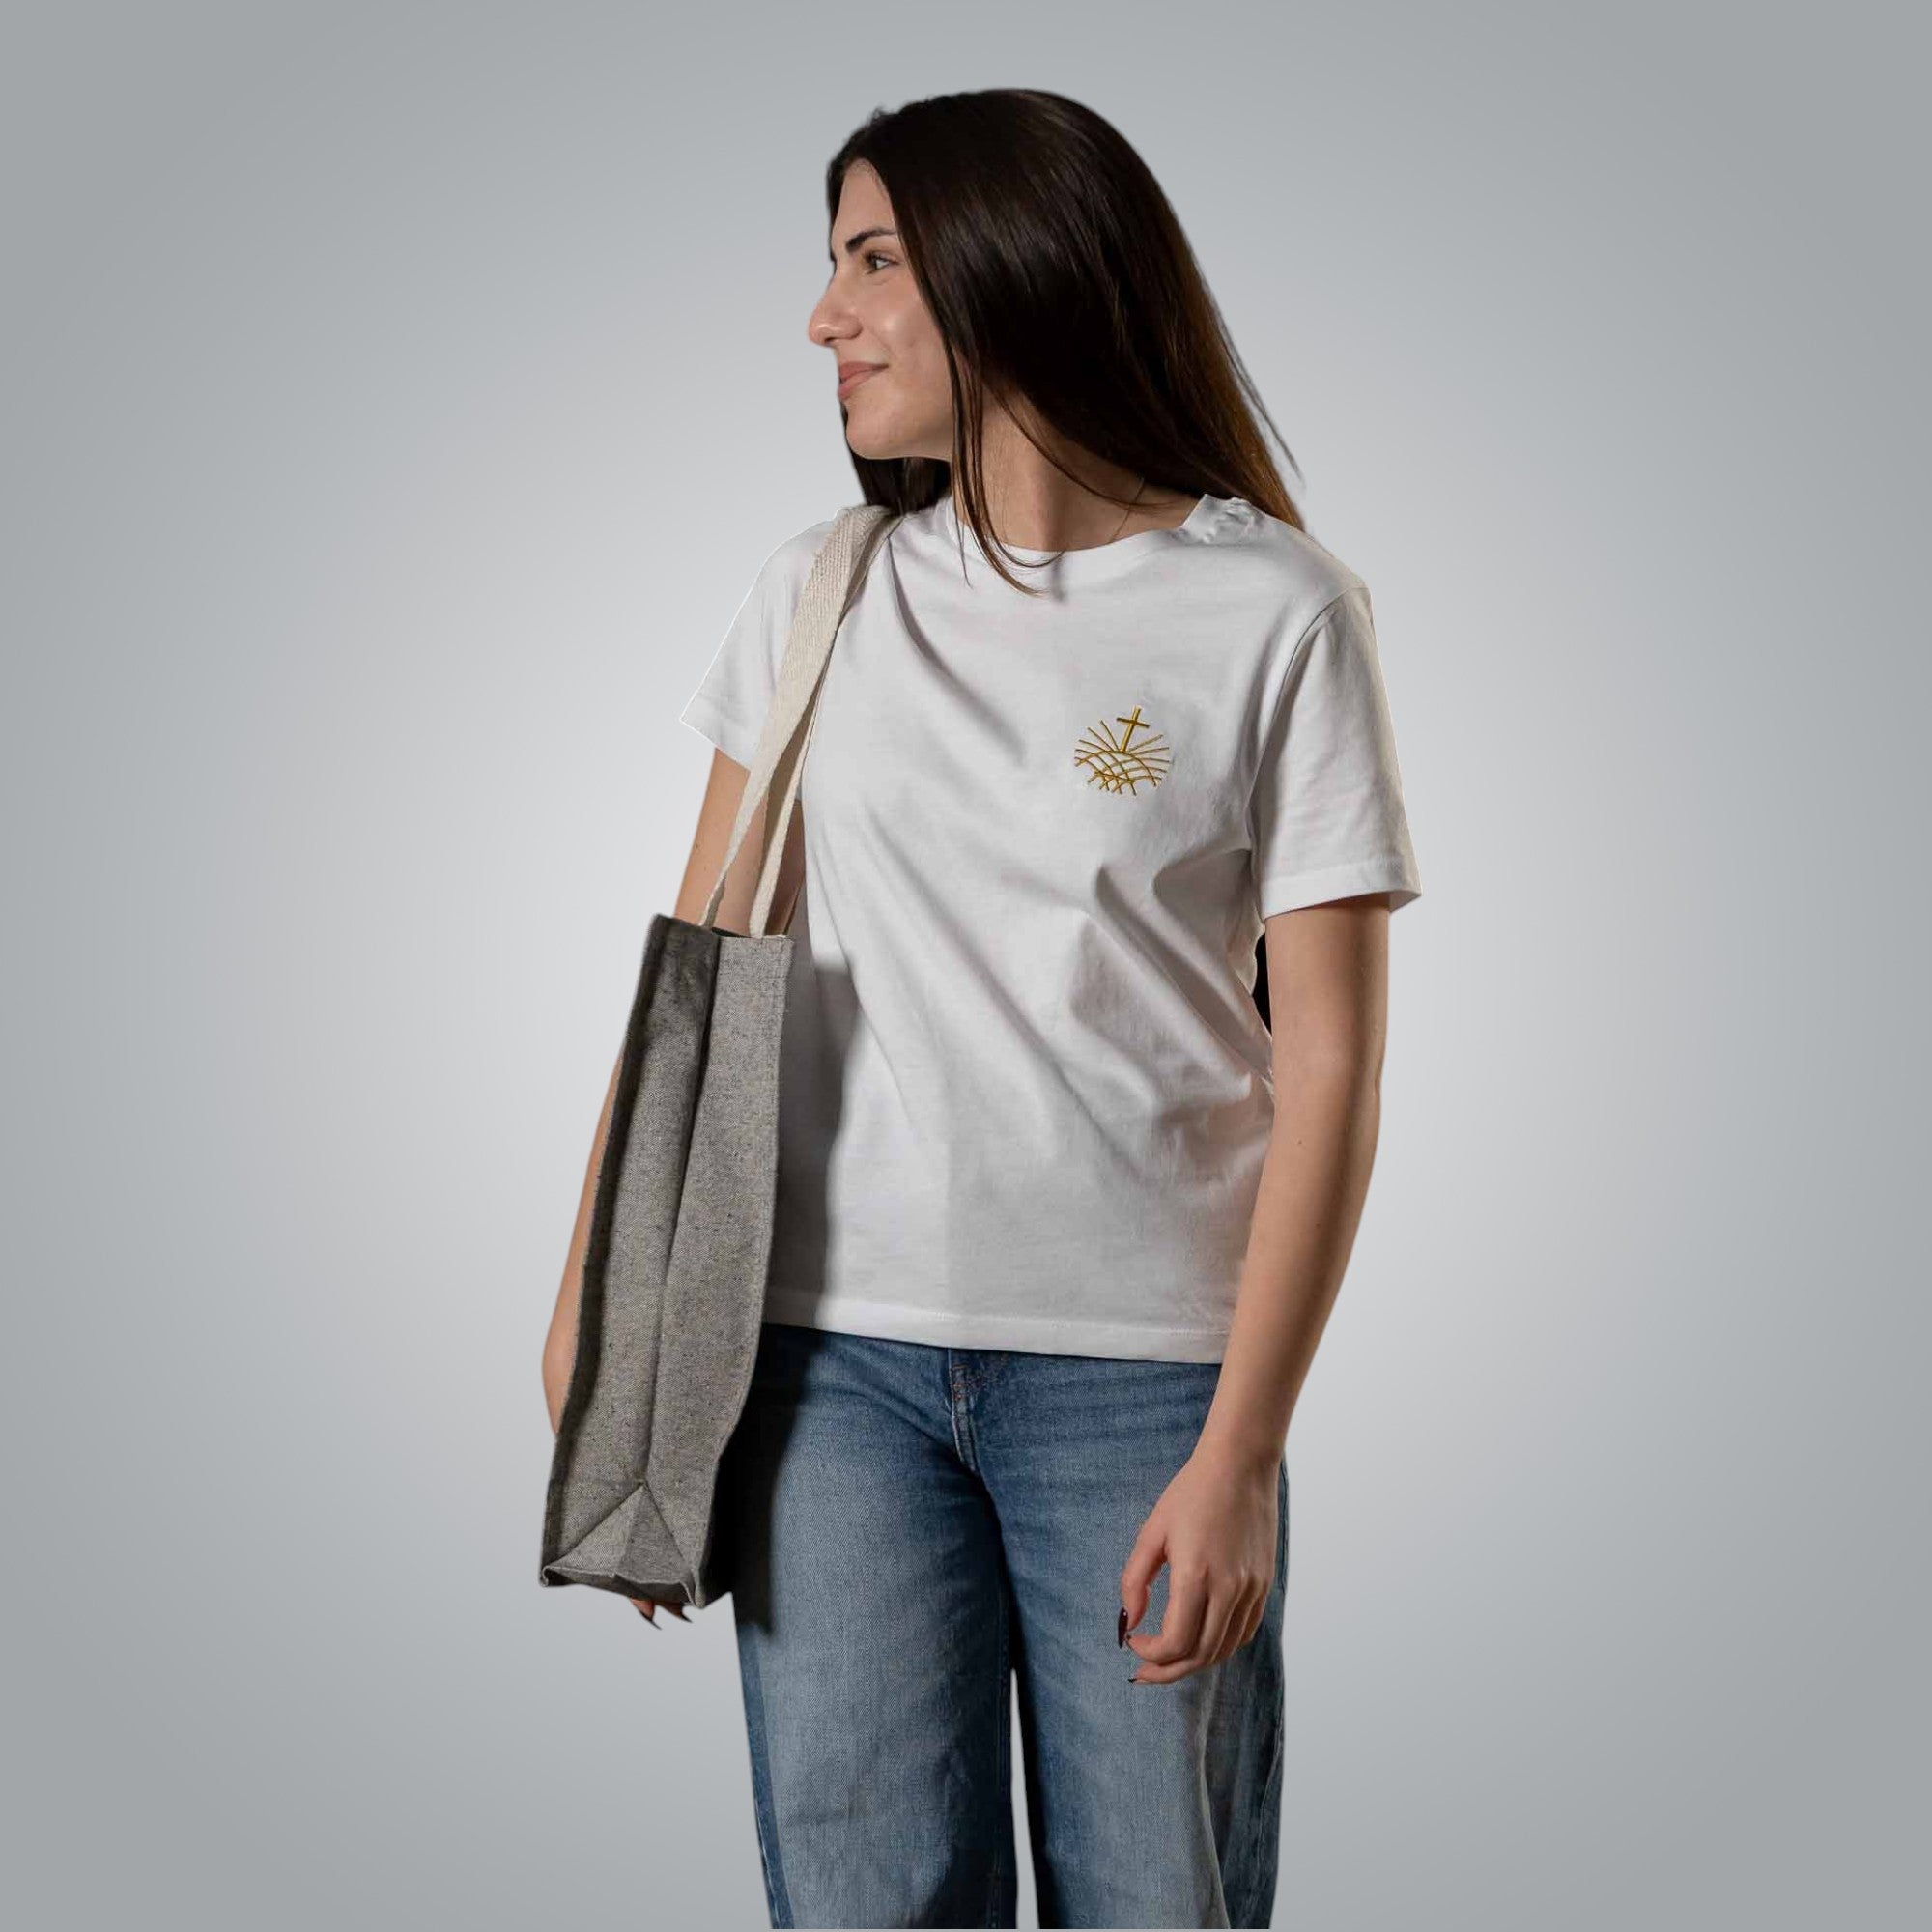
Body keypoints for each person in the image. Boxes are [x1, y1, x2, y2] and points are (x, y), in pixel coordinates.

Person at [543, 88, 1423, 1930]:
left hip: (1149, 1394)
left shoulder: (1272, 611)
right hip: (825, 1379)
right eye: (834, 264)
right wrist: (606, 1324)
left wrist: (1243, 1453)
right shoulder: (817, 595)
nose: (823, 318)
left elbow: (1331, 1063)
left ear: (1011, 274)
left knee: (1157, 1902)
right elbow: (695, 962)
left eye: (871, 262)